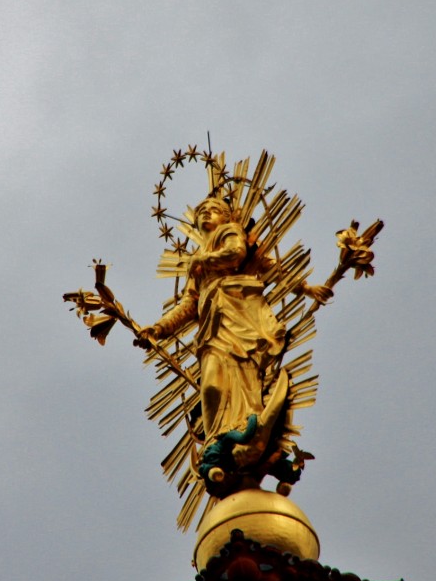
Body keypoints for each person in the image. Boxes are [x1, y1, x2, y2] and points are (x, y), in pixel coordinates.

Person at [136, 197, 331, 482]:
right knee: (212, 384)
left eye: (213, 210)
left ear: (225, 215)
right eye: (201, 211)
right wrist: (159, 329)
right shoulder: (198, 261)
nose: (206, 214)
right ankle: (220, 436)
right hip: (212, 323)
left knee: (245, 372)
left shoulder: (227, 232)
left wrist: (306, 288)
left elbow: (240, 255)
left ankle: (248, 424)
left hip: (240, 313)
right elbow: (190, 305)